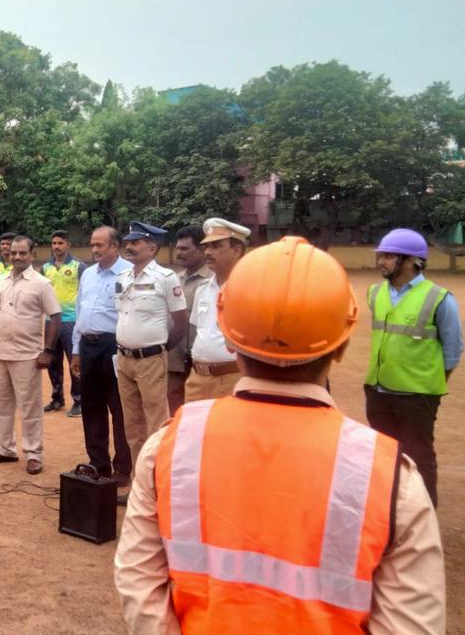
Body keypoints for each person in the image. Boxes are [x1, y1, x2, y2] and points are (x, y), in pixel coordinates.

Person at [115, 236, 445, 633]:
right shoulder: (392, 478)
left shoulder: (169, 447)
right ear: (340, 346)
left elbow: (139, 587)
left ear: (232, 341)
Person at [365, 228, 464, 508]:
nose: (380, 261)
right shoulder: (375, 293)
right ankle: (387, 513)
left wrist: (430, 382)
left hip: (417, 397)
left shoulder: (439, 298)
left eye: (387, 256)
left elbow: (453, 350)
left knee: (419, 458)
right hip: (377, 390)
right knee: (383, 456)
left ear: (411, 261)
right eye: (380, 255)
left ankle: (424, 514)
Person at [115, 221, 187, 492]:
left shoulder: (165, 278)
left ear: (152, 247)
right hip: (124, 360)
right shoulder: (123, 278)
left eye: (136, 242)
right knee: (132, 427)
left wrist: (159, 350)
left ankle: (158, 485)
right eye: (129, 242)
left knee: (157, 424)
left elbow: (180, 321)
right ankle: (139, 484)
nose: (129, 246)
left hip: (151, 360)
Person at [0, 235, 60, 475]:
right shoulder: (0, 281)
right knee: (2, 405)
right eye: (13, 253)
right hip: (0, 353)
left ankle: (34, 454)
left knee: (30, 407)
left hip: (28, 356)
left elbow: (55, 317)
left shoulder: (41, 283)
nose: (16, 257)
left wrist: (47, 351)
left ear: (32, 255)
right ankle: (5, 448)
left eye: (22, 253)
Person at [69, 226, 133, 482]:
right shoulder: (88, 275)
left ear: (115, 246)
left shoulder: (129, 273)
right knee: (92, 406)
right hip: (88, 346)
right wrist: (76, 350)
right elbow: (79, 312)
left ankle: (123, 468)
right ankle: (99, 463)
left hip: (115, 347)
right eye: (92, 245)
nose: (94, 250)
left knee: (119, 408)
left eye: (100, 245)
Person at [185, 218, 251, 402]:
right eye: (207, 246)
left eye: (216, 246)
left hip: (233, 378)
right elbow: (201, 332)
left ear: (236, 250)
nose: (207, 252)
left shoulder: (250, 291)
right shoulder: (203, 289)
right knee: (194, 430)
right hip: (197, 378)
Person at [166, 226, 212, 412]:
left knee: (200, 412)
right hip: (175, 358)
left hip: (202, 362)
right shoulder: (174, 280)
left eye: (185, 249)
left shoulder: (214, 280)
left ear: (201, 250)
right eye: (178, 248)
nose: (179, 252)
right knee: (174, 411)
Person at [41, 229, 87, 415]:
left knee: (74, 361)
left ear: (68, 245)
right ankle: (57, 398)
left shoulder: (79, 267)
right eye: (54, 243)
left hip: (71, 321)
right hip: (50, 321)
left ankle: (79, 400)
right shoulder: (45, 268)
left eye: (60, 243)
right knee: (52, 361)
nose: (57, 247)